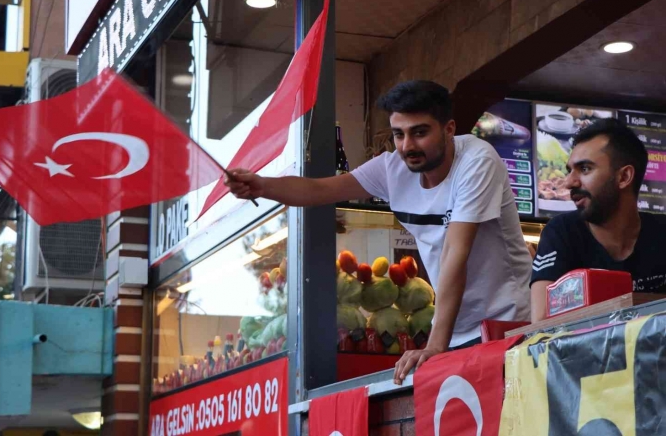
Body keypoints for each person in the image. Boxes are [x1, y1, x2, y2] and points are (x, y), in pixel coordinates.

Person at [224, 80, 531, 384]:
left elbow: (456, 251)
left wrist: (436, 344)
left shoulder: (477, 160)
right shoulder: (391, 168)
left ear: (449, 129)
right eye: (399, 134)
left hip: (506, 323)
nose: (407, 146)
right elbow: (318, 189)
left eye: (420, 132)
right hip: (453, 331)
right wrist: (262, 185)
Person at [530, 118, 666, 322]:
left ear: (624, 177)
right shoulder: (561, 232)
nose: (569, 182)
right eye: (569, 170)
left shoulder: (662, 232)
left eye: (585, 169)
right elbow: (541, 324)